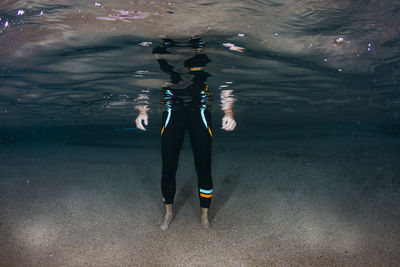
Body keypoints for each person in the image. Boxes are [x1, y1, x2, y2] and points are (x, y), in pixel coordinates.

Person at [135, 37, 236, 230]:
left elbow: (225, 85)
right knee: (168, 168)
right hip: (173, 114)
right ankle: (168, 213)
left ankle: (205, 216)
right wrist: (142, 110)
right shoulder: (161, 54)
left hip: (200, 113)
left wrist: (228, 112)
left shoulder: (204, 56)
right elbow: (144, 83)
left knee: (204, 167)